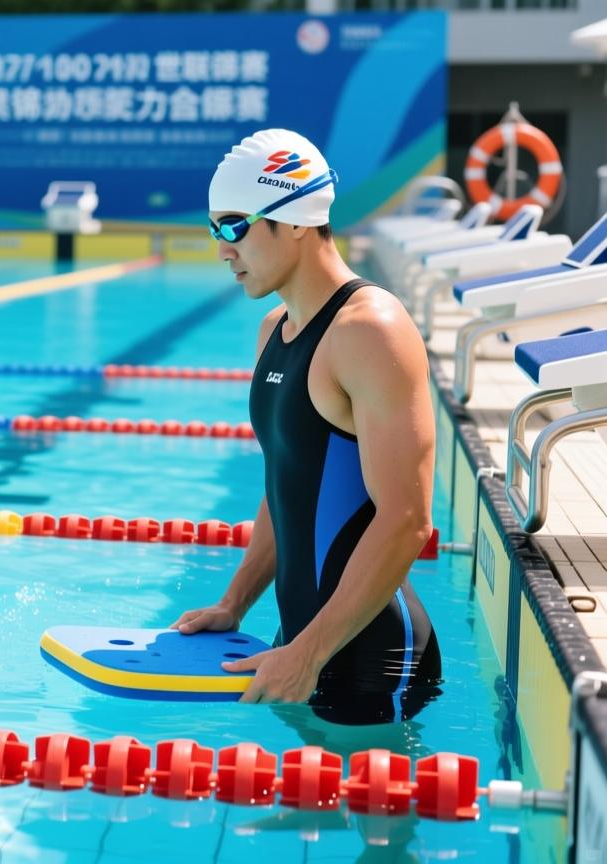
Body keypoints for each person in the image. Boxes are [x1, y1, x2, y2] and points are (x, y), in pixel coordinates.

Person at [171, 128, 441, 725]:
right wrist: (235, 602)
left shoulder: (370, 332)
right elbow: (287, 483)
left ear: (293, 219)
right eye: (215, 228)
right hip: (302, 646)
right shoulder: (276, 329)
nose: (222, 248)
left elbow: (407, 519)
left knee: (370, 816)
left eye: (235, 225)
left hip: (372, 659)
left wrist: (310, 654)